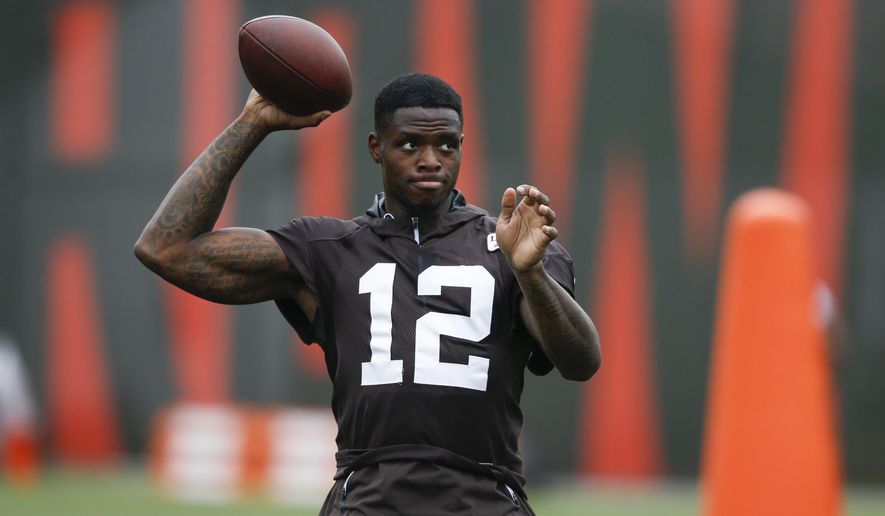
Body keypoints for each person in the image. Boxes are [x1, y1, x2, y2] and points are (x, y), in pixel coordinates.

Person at [135, 73, 600, 515]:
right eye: (411, 144)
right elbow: (167, 249)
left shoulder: (512, 244)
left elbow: (581, 362)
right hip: (368, 499)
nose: (431, 159)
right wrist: (251, 124)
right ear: (377, 148)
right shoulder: (329, 250)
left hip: (483, 495)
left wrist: (530, 273)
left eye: (447, 144)